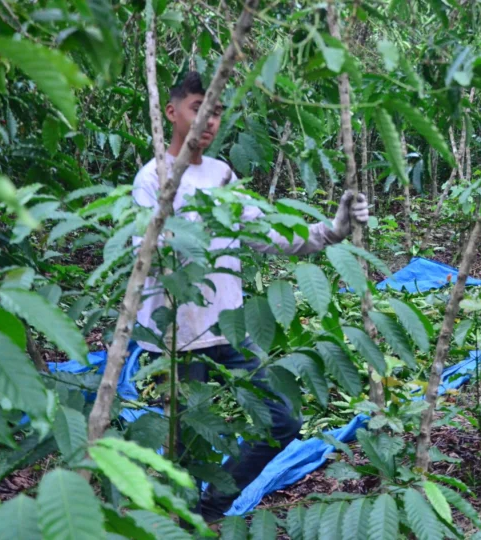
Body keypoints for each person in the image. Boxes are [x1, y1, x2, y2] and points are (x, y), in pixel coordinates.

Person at [131, 71, 369, 523]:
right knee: (179, 452)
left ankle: (212, 508)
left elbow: (269, 234)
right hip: (175, 341)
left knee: (282, 421)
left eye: (217, 111)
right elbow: (140, 255)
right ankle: (175, 525)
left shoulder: (222, 175)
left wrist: (331, 230)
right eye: (199, 107)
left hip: (230, 328)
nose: (209, 120)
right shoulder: (152, 180)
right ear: (173, 112)